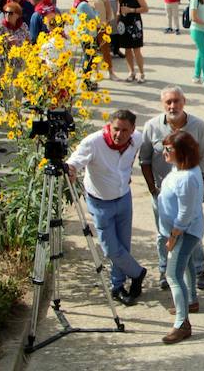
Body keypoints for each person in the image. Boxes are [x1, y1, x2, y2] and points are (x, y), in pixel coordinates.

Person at [66, 110, 147, 306]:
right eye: (116, 129)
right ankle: (137, 273)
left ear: (132, 130)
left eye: (124, 130)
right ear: (109, 126)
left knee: (123, 245)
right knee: (111, 248)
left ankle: (117, 286)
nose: (119, 135)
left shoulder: (137, 138)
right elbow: (75, 160)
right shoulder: (94, 142)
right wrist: (71, 169)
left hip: (124, 198)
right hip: (100, 202)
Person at [140, 87, 204, 293]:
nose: (173, 106)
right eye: (168, 102)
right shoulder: (152, 126)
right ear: (163, 104)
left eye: (176, 101)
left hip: (189, 190)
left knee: (192, 232)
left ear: (184, 101)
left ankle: (198, 270)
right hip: (162, 194)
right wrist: (153, 188)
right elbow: (144, 159)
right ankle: (165, 269)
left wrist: (195, 182)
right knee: (164, 235)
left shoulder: (199, 126)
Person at [155, 130, 204, 345]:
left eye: (168, 149)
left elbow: (185, 212)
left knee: (172, 275)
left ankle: (182, 323)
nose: (163, 152)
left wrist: (174, 235)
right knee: (187, 266)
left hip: (184, 232)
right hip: (186, 230)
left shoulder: (185, 178)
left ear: (181, 152)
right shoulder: (184, 169)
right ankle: (191, 300)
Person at [115, 0, 149, 83]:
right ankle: (131, 72)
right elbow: (118, 10)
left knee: (137, 50)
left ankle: (142, 73)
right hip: (123, 24)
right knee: (127, 50)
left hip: (134, 24)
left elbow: (145, 8)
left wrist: (131, 10)